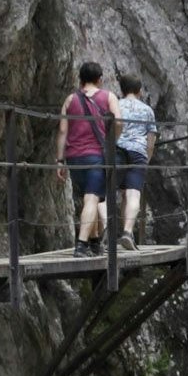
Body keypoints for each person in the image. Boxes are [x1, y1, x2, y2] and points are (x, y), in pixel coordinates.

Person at [52, 62, 119, 256]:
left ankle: (95, 242)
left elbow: (63, 130)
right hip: (96, 155)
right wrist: (112, 141)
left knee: (89, 198)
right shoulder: (108, 97)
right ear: (100, 79)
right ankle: (81, 244)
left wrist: (59, 160)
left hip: (74, 157)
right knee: (92, 198)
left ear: (80, 79)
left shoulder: (70, 99)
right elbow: (119, 122)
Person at [113, 74, 157, 251]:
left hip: (118, 151)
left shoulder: (115, 105)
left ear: (121, 90)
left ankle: (104, 233)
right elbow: (151, 138)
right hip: (138, 152)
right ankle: (127, 232)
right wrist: (147, 158)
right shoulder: (147, 110)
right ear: (139, 91)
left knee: (107, 191)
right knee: (132, 194)